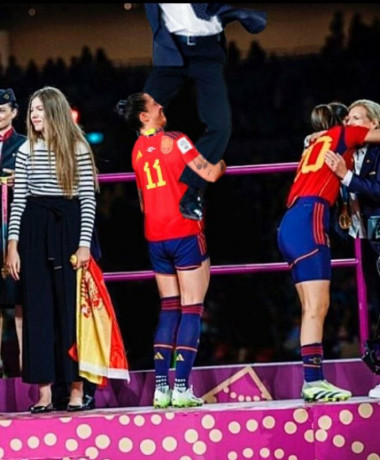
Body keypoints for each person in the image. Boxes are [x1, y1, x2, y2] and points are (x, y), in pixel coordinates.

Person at [117, 92, 226, 407]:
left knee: (168, 308)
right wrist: (222, 163)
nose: (161, 106)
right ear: (144, 116)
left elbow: (141, 201)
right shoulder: (177, 140)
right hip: (184, 232)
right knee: (192, 308)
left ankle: (161, 388)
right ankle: (182, 388)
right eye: (154, 105)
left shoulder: (136, 151)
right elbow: (210, 173)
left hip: (155, 237)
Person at [277, 102, 380, 402]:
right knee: (317, 308)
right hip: (311, 219)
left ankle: (313, 380)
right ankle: (313, 380)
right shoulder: (344, 135)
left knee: (311, 307)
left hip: (290, 221)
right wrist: (363, 130)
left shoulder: (316, 142)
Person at [6, 86, 98, 413]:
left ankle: (76, 389)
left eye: (41, 109)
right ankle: (44, 393)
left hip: (69, 227)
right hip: (34, 228)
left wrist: (84, 244)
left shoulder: (78, 148)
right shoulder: (26, 150)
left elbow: (88, 201)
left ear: (55, 111)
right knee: (38, 311)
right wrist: (12, 245)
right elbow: (20, 202)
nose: (34, 115)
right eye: (32, 109)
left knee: (71, 312)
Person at [143, 3, 266, 220]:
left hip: (207, 53)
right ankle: (159, 186)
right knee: (140, 116)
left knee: (220, 126)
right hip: (172, 52)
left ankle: (191, 191)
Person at [324, 99, 380, 399]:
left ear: (374, 125)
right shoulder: (347, 152)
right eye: (348, 119)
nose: (350, 124)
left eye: (358, 119)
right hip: (367, 237)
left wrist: (346, 176)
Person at [0, 88, 25, 376]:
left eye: (3, 110)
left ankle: (24, 360)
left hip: (17, 230)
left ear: (14, 112)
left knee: (21, 296)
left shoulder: (26, 146)